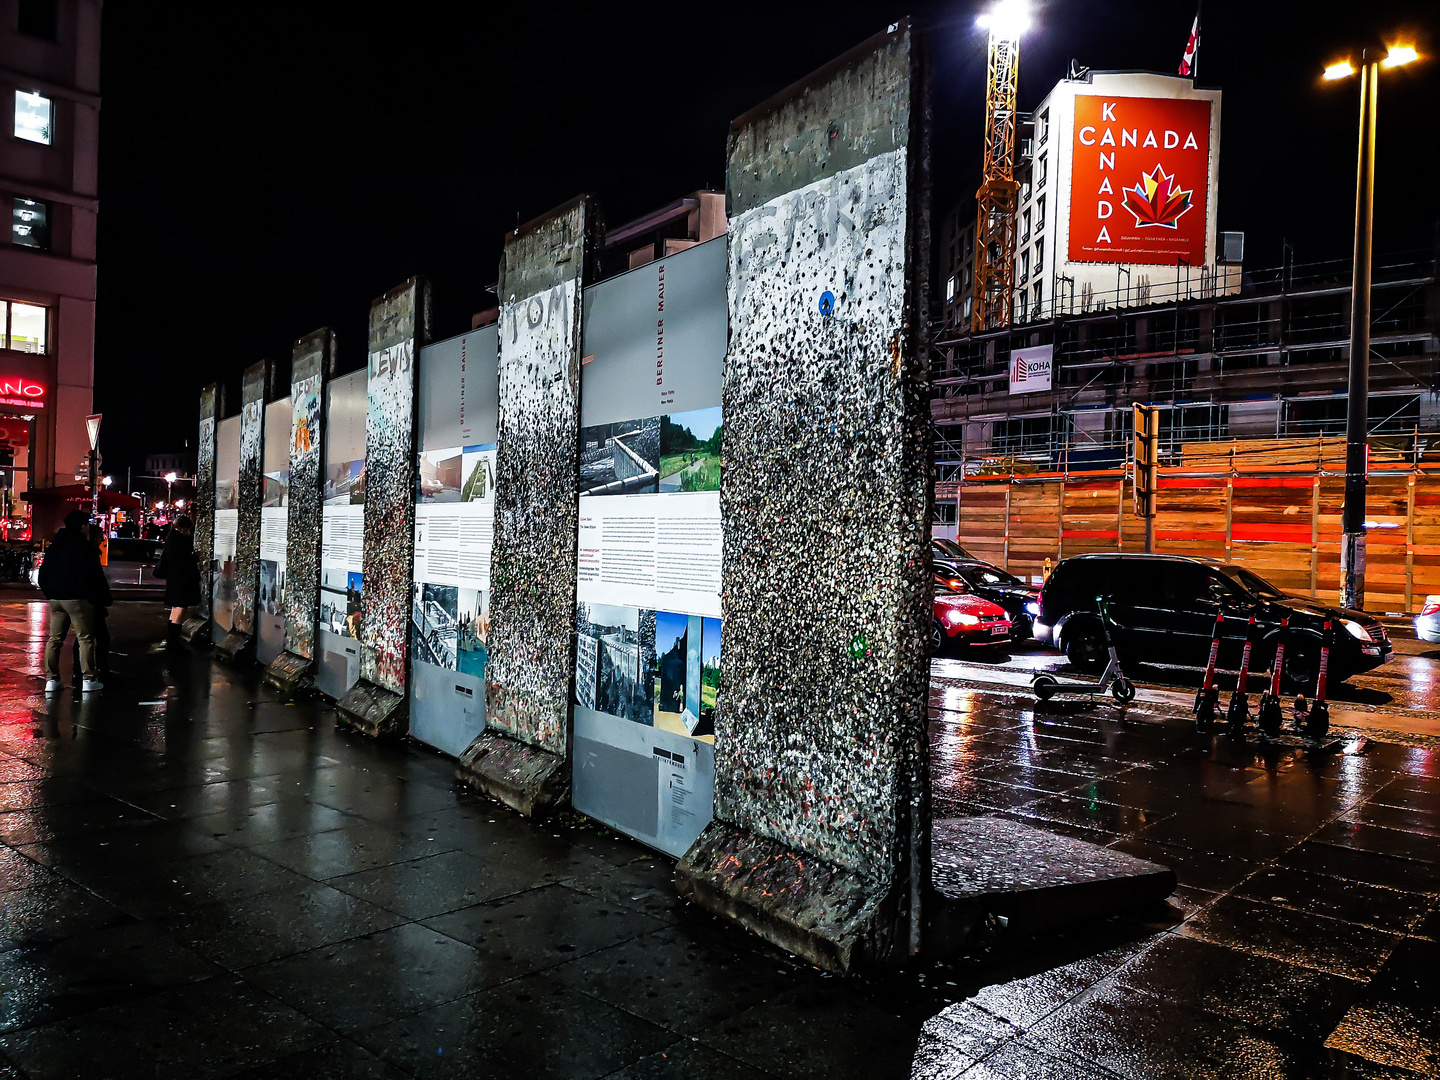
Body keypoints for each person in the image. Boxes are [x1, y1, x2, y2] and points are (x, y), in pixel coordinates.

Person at [37, 509, 108, 693]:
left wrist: (50, 592)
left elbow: (43, 574)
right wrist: (93, 595)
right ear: (83, 526)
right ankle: (88, 678)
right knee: (85, 638)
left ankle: (52, 680)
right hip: (78, 598)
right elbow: (93, 575)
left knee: (54, 639)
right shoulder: (83, 547)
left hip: (56, 598)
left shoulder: (55, 546)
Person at [70, 523, 113, 681]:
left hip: (87, 600)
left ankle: (80, 669)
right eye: (101, 536)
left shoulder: (83, 552)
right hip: (91, 601)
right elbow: (96, 580)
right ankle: (92, 671)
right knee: (93, 636)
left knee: (86, 635)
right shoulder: (91, 554)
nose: (102, 539)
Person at [156, 514, 201, 648]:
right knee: (180, 609)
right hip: (181, 580)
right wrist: (195, 557)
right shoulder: (178, 540)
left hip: (175, 579)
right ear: (184, 527)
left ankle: (172, 640)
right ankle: (174, 642)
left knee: (176, 609)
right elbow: (183, 561)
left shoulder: (172, 538)